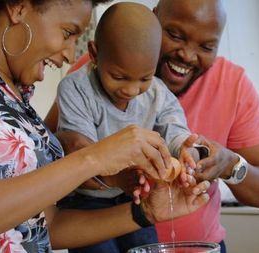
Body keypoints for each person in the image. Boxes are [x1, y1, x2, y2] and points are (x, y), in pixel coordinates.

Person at [0, 0, 212, 252]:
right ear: (18, 7)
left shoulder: (17, 102)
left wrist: (146, 212)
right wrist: (94, 158)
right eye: (68, 33)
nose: (67, 55)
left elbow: (46, 227)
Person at [44, 0, 259, 252]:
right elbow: (60, 155)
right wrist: (114, 174)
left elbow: (178, 134)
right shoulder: (89, 75)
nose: (131, 90)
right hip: (97, 210)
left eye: (206, 46)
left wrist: (202, 155)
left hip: (186, 236)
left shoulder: (173, 91)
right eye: (176, 35)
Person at [54, 3, 199, 253]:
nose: (131, 90)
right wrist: (115, 176)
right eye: (119, 77)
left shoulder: (157, 92)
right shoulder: (76, 89)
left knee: (149, 248)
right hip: (84, 202)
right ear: (95, 53)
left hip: (132, 197)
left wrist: (186, 151)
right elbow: (79, 154)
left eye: (144, 78)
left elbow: (174, 129)